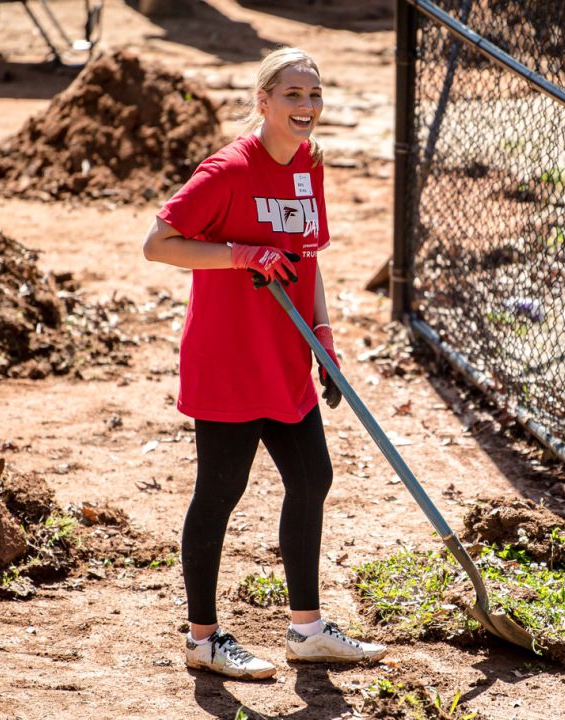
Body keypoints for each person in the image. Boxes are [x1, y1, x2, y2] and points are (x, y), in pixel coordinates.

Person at [141, 47, 388, 680]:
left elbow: (309, 259)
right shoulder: (227, 170)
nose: (307, 107)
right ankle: (203, 639)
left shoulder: (311, 163)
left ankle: (306, 629)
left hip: (285, 357)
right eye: (293, 95)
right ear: (264, 101)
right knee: (221, 492)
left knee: (312, 480)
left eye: (314, 94)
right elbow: (158, 245)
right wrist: (240, 254)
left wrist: (324, 339)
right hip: (228, 360)